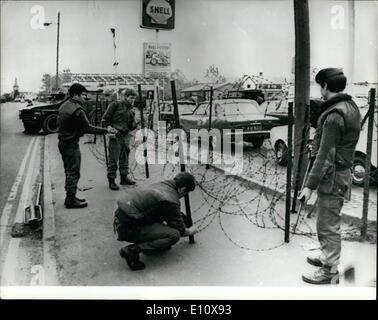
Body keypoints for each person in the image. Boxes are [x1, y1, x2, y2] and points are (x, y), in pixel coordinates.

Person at [299, 68, 361, 284]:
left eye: (320, 86)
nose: (320, 91)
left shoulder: (334, 115)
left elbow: (324, 156)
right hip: (340, 174)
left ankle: (329, 270)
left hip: (332, 177)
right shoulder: (350, 107)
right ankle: (327, 256)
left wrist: (308, 186)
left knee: (327, 224)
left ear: (325, 86)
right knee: (327, 220)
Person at [113, 172, 198, 271]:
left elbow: (161, 208)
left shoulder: (164, 184)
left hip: (122, 218)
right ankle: (132, 251)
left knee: (168, 219)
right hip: (128, 228)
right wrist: (190, 231)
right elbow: (181, 230)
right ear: (183, 189)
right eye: (186, 193)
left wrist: (179, 217)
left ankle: (154, 244)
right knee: (174, 235)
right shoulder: (171, 200)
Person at [57, 83, 117, 209]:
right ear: (76, 95)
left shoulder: (64, 105)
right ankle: (70, 200)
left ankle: (71, 196)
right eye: (83, 95)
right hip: (71, 144)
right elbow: (88, 128)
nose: (85, 98)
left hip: (63, 143)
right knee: (73, 172)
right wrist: (107, 130)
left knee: (68, 170)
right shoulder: (77, 110)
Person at [102, 88, 138, 190]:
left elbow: (131, 126)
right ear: (125, 97)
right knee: (113, 158)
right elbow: (105, 119)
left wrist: (136, 123)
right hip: (116, 135)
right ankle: (111, 180)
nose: (132, 100)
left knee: (125, 158)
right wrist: (108, 128)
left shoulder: (131, 110)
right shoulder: (115, 105)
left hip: (126, 135)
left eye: (134, 98)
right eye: (131, 98)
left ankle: (124, 177)